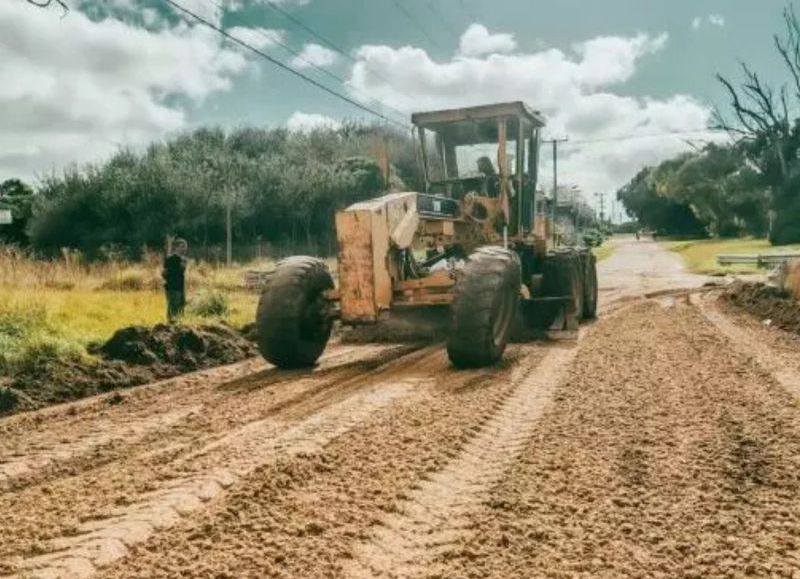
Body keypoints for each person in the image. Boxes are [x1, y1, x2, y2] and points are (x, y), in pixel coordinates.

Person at [163, 238, 188, 323]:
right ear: (176, 247)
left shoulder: (184, 260)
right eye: (182, 246)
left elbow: (182, 274)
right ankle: (170, 325)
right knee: (173, 307)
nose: (184, 249)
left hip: (181, 287)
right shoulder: (170, 259)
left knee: (181, 306)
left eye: (185, 247)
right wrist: (169, 284)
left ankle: (179, 326)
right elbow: (164, 273)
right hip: (172, 287)